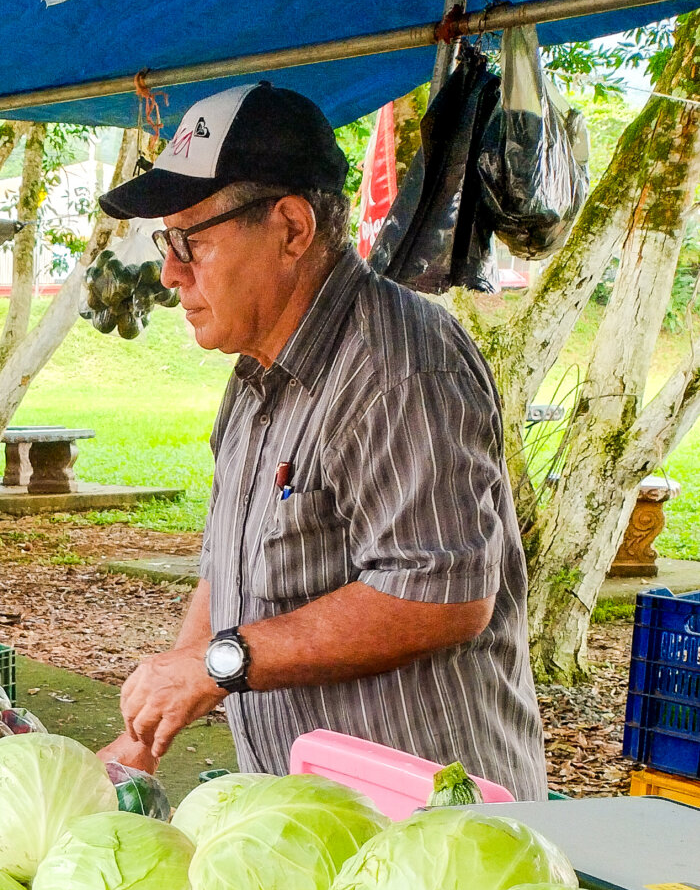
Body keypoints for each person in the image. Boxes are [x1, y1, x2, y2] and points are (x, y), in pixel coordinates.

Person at [99, 83, 548, 802]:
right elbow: (230, 573)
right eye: (165, 243)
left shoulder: (400, 367)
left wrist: (220, 664)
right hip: (315, 821)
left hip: (432, 828)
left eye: (191, 241)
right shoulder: (254, 376)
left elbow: (444, 594)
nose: (170, 272)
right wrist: (147, 730)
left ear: (291, 228)